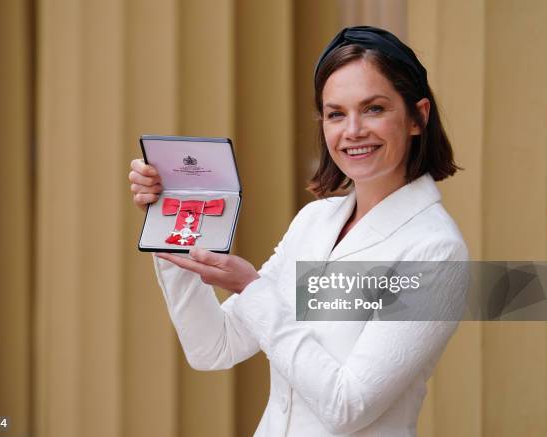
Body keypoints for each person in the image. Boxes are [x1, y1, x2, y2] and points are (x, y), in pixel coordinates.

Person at [129, 26, 468, 436]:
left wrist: (253, 289)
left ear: (418, 117)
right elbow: (213, 347)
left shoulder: (435, 251)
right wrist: (171, 221)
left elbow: (347, 405)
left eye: (374, 108)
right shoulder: (316, 222)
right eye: (336, 113)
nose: (353, 130)